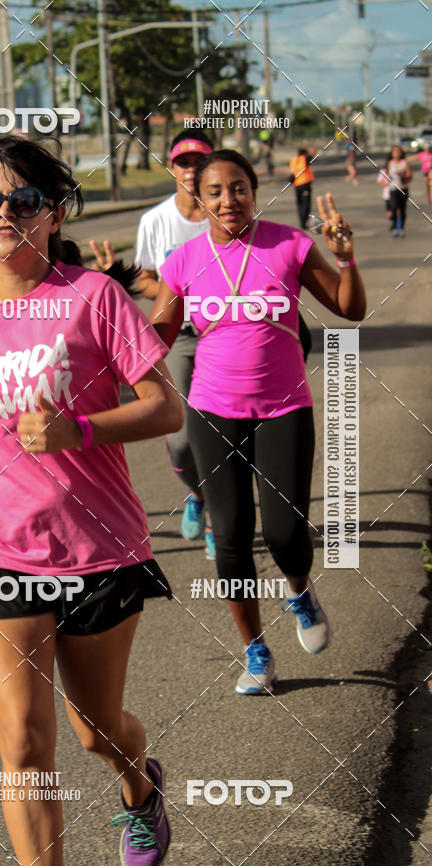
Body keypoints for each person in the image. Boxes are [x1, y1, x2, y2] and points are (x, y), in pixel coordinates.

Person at [0, 135, 184, 866]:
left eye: (22, 201)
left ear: (54, 211)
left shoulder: (93, 297)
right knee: (23, 743)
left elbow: (165, 407)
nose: (3, 214)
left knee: (94, 730)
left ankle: (138, 785)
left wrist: (80, 429)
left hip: (98, 548)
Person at [149, 149, 366, 695]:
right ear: (198, 199)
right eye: (216, 190)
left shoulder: (290, 245)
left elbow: (350, 308)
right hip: (211, 410)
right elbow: (157, 338)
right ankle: (256, 653)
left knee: (286, 531)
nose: (229, 199)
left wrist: (347, 259)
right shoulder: (183, 261)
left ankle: (300, 589)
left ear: (254, 189)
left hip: (283, 408)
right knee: (231, 537)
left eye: (239, 187)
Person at [134, 127, 216, 557]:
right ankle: (199, 495)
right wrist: (176, 292)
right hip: (181, 335)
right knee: (181, 438)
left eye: (198, 161)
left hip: (225, 334)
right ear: (172, 167)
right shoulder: (156, 221)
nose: (190, 170)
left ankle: (220, 519)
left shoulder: (224, 213)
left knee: (224, 432)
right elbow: (145, 278)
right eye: (183, 162)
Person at [387, 145, 412, 237]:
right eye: (394, 152)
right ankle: (394, 225)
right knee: (393, 207)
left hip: (403, 188)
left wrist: (402, 175)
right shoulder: (390, 163)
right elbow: (388, 175)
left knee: (402, 209)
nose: (396, 154)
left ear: (401, 153)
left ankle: (401, 228)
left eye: (398, 152)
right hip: (393, 188)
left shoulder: (405, 163)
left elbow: (410, 175)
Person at [289, 146, 315, 229]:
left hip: (297, 185)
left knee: (300, 204)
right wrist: (308, 149)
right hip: (305, 184)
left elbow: (292, 171)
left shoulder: (293, 160)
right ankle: (304, 222)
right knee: (306, 204)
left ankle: (301, 222)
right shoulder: (305, 158)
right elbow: (313, 152)